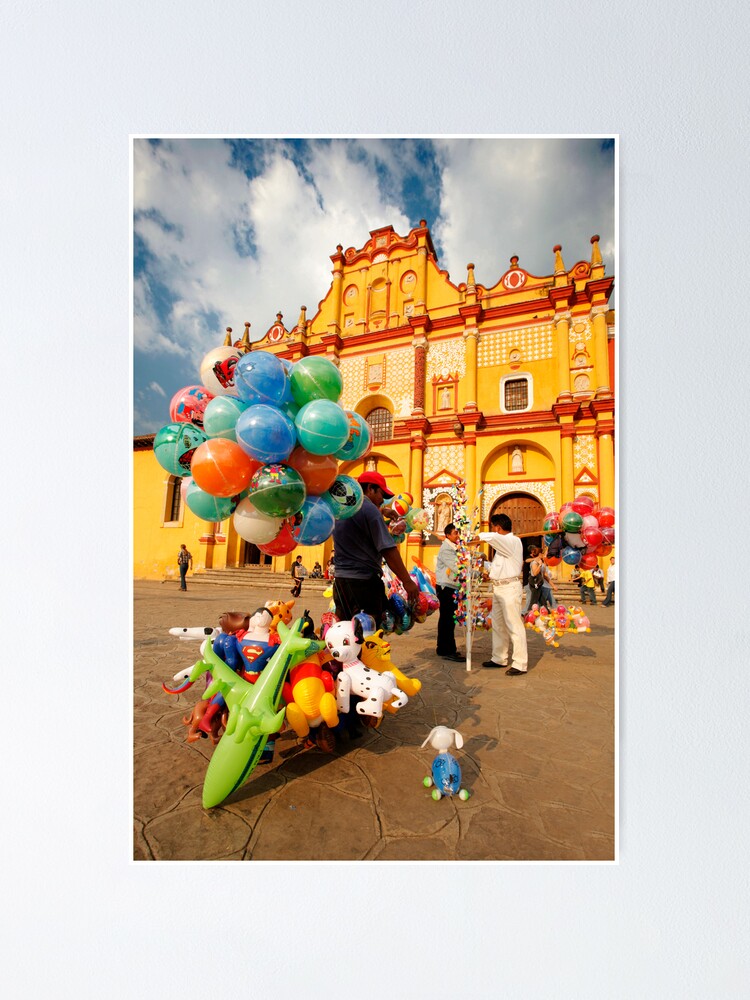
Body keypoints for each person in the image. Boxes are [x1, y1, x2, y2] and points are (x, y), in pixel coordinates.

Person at [332, 471, 419, 623]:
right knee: (368, 633)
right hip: (364, 584)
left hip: (341, 582)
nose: (383, 500)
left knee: (344, 633)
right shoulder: (369, 510)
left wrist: (382, 511)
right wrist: (407, 581)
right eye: (381, 495)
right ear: (371, 489)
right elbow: (388, 549)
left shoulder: (343, 508)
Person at [475, 513, 528, 675]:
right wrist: (489, 574)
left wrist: (476, 536)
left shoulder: (512, 541)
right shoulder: (502, 547)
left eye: (493, 527)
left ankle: (520, 663)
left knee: (513, 624)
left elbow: (489, 537)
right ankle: (499, 657)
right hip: (498, 588)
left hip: (509, 588)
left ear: (497, 527)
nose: (492, 530)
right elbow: (498, 567)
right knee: (498, 624)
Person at [435, 523, 463, 662]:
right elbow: (457, 567)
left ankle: (448, 648)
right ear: (447, 535)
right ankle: (446, 649)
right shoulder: (446, 549)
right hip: (446, 587)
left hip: (452, 586)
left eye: (458, 533)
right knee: (447, 618)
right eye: (455, 533)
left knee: (449, 619)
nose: (457, 536)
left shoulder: (452, 548)